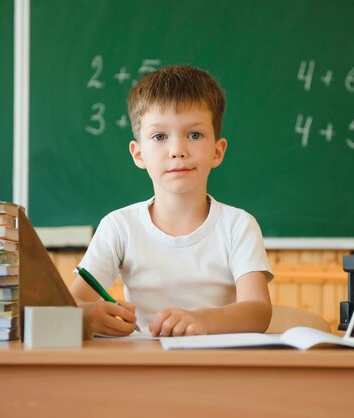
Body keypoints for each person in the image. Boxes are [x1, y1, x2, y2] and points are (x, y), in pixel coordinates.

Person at [70, 65, 273, 338]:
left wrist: (202, 321)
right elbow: (69, 304)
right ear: (139, 154)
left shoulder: (238, 225)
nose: (177, 150)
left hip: (218, 370)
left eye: (194, 135)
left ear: (217, 151)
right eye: (160, 137)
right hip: (145, 370)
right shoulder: (119, 226)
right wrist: (86, 316)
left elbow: (258, 311)